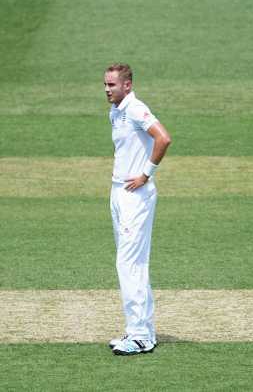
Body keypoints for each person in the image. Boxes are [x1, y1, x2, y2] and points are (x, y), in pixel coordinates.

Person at [103, 63, 172, 355]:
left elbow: (163, 138)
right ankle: (142, 330)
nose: (107, 90)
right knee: (133, 263)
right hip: (119, 191)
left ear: (127, 85)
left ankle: (140, 335)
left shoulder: (134, 108)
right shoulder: (116, 111)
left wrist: (146, 174)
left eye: (112, 85)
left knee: (128, 264)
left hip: (136, 194)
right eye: (105, 85)